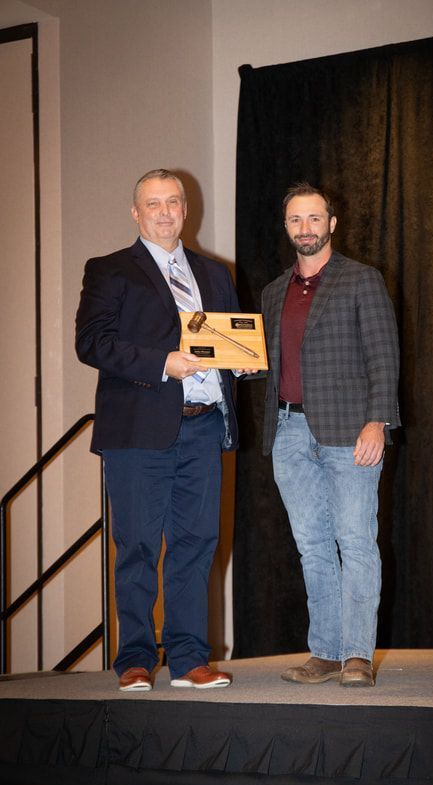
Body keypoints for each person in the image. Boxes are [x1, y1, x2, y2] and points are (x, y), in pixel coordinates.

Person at [76, 168, 250, 691]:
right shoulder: (110, 270)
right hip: (136, 431)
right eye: (154, 204)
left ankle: (188, 658)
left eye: (174, 202)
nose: (166, 211)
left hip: (203, 428)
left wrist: (242, 363)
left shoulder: (215, 273)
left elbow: (232, 338)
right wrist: (161, 363)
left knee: (197, 543)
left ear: (186, 209)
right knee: (136, 547)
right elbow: (92, 343)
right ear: (136, 213)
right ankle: (133, 658)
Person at [261, 182, 400, 687]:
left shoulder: (362, 280)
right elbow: (269, 365)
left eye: (314, 218)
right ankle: (325, 651)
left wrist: (378, 420)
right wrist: (226, 361)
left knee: (356, 541)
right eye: (296, 220)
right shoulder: (273, 292)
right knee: (313, 545)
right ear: (287, 227)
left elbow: (384, 355)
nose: (305, 228)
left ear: (331, 223)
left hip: (351, 431)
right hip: (289, 432)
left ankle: (357, 655)